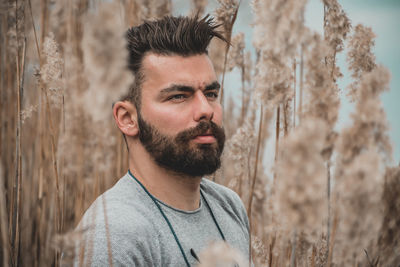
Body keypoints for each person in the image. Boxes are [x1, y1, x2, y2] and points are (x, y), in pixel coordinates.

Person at [74, 15, 251, 266]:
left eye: (211, 93)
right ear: (127, 118)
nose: (206, 110)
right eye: (179, 96)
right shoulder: (113, 235)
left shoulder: (228, 205)